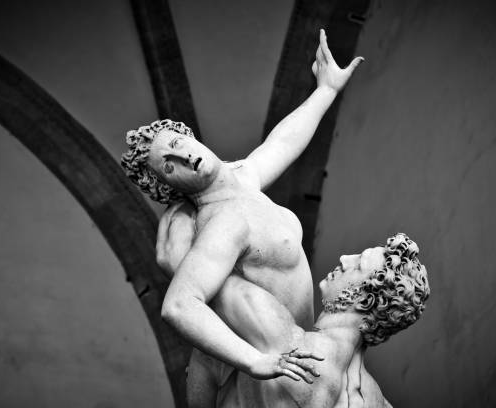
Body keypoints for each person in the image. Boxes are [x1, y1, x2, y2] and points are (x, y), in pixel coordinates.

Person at [121, 28, 364, 382]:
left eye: (176, 141)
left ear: (188, 135)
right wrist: (253, 361)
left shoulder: (242, 179)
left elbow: (281, 142)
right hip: (287, 368)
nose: (184, 155)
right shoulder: (223, 221)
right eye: (169, 165)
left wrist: (326, 90)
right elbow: (178, 305)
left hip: (311, 353)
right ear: (166, 186)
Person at [159, 229, 429, 407]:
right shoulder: (375, 401)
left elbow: (179, 287)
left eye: (358, 264)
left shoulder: (289, 342)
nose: (346, 258)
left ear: (366, 299)